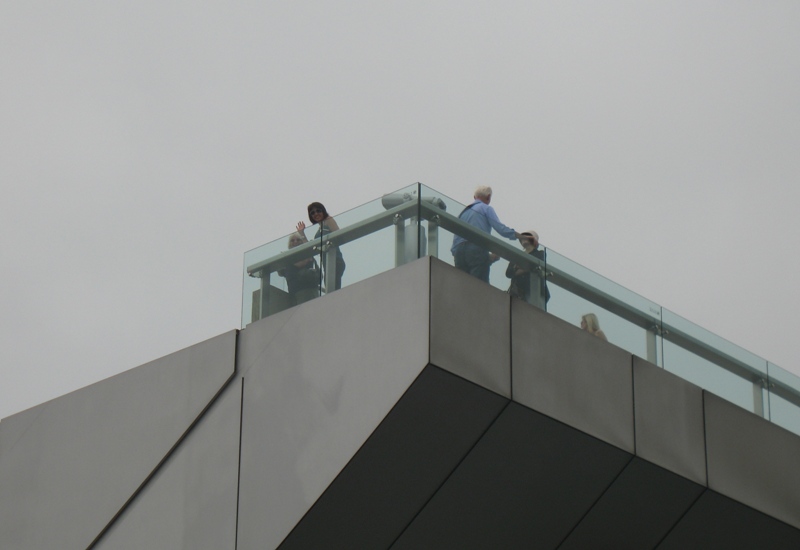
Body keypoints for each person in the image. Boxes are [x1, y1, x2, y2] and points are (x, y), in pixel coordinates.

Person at [451, 186, 521, 282]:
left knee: (463, 286)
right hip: (476, 247)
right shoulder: (485, 208)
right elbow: (501, 229)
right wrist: (520, 236)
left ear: (474, 197)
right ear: (488, 197)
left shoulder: (463, 212)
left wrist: (456, 252)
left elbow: (456, 237)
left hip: (459, 252)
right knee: (479, 286)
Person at [297, 202, 346, 290]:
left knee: (333, 291)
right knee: (331, 290)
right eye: (312, 213)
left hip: (335, 260)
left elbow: (339, 235)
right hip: (326, 263)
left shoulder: (328, 220)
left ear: (323, 211)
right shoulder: (318, 231)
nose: (316, 214)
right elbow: (311, 249)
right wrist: (302, 233)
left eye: (318, 211)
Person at [506, 230, 549, 309]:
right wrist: (525, 268)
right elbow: (508, 273)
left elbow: (535, 266)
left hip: (535, 290)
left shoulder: (540, 253)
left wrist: (517, 269)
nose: (523, 239)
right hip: (518, 292)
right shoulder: (516, 255)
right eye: (522, 237)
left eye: (527, 237)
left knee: (535, 315)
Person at [278, 232, 320, 306]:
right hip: (294, 293)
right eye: (292, 240)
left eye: (298, 240)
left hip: (307, 291)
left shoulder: (306, 253)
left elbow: (309, 253)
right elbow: (280, 272)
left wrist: (287, 262)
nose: (295, 242)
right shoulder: (287, 257)